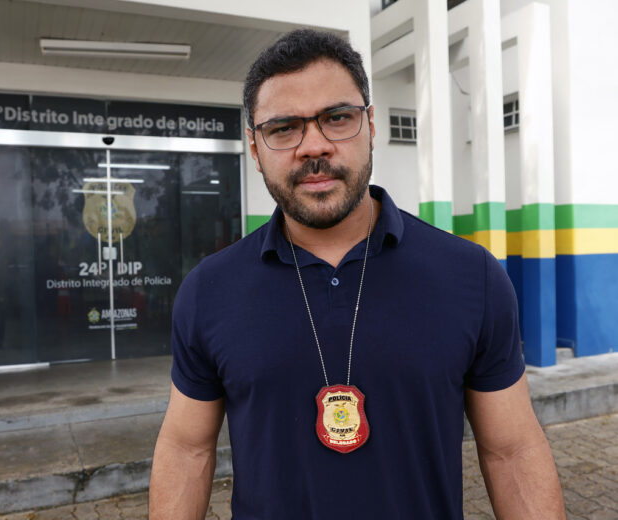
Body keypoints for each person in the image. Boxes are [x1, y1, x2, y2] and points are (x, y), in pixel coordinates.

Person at [149, 29, 565, 519]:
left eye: (337, 118)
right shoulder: (210, 291)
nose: (314, 146)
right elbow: (186, 450)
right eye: (283, 128)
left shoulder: (472, 277)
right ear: (255, 149)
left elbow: (512, 451)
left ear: (370, 125)